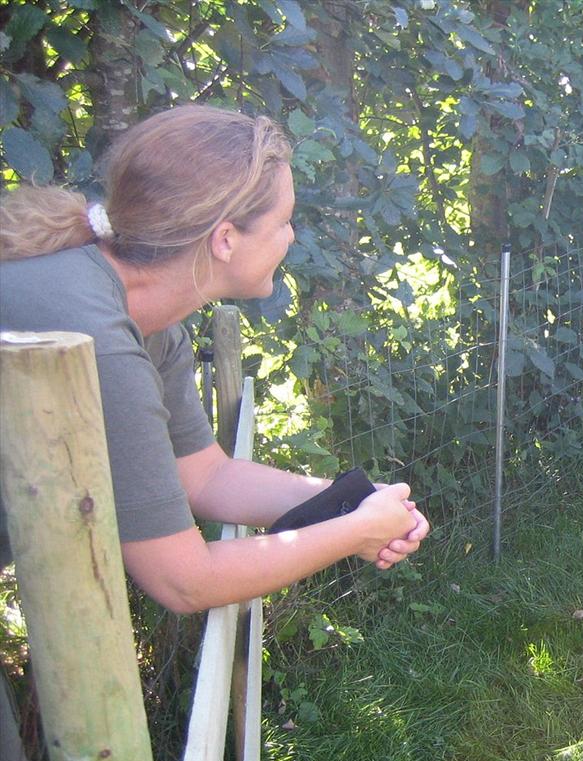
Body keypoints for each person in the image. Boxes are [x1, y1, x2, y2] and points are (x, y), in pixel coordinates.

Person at [0, 105, 430, 614]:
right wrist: (355, 533)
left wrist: (351, 500)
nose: (291, 237)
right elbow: (185, 582)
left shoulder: (146, 319)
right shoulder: (99, 340)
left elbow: (206, 477)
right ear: (225, 239)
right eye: (284, 221)